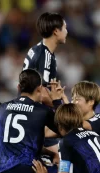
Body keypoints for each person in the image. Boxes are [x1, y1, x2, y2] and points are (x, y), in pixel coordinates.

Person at [23, 12, 68, 152]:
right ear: (56, 31)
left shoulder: (36, 49)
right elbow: (41, 93)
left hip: (27, 110)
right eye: (65, 28)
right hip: (36, 117)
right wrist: (59, 104)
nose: (67, 31)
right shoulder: (46, 56)